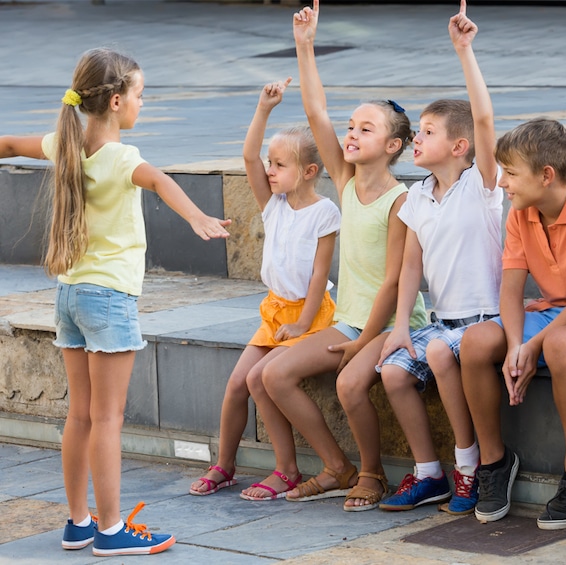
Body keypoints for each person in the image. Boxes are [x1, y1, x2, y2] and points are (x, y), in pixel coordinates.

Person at [0, 48, 231, 555]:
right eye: (142, 96)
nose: (143, 105)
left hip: (69, 295)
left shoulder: (63, 143)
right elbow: (161, 181)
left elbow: (9, 143)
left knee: (79, 416)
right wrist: (197, 219)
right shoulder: (123, 157)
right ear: (118, 100)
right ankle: (109, 531)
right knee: (107, 419)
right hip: (108, 299)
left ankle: (78, 523)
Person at [243, 0, 427, 507]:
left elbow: (393, 283)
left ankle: (371, 473)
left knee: (349, 383)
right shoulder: (344, 184)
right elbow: (315, 112)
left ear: (393, 146)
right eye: (351, 126)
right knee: (274, 373)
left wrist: (362, 339)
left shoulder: (400, 199)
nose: (350, 133)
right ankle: (337, 466)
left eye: (366, 129)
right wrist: (305, 45)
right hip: (348, 319)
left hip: (388, 321)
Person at [459, 117, 566, 529]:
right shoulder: (522, 214)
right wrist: (517, 343)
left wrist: (534, 346)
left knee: (557, 345)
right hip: (553, 311)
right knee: (476, 341)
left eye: (512, 173)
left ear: (547, 175)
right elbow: (510, 290)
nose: (503, 182)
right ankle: (495, 462)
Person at [375, 0, 502, 515]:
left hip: (484, 320)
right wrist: (402, 323)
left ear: (459, 146)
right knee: (392, 369)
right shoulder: (417, 196)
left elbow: (487, 118)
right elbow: (410, 267)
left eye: (427, 132)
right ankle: (431, 473)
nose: (416, 139)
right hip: (441, 322)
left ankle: (468, 466)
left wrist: (464, 50)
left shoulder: (484, 186)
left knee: (438, 353)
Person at [189, 78, 341, 499]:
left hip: (310, 314)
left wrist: (303, 323)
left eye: (280, 164)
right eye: (270, 163)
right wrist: (263, 109)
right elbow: (247, 155)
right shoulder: (272, 204)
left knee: (260, 379)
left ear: (309, 172)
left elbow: (319, 276)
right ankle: (225, 463)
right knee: (238, 383)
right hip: (274, 310)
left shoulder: (324, 212)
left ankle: (286, 469)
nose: (270, 170)